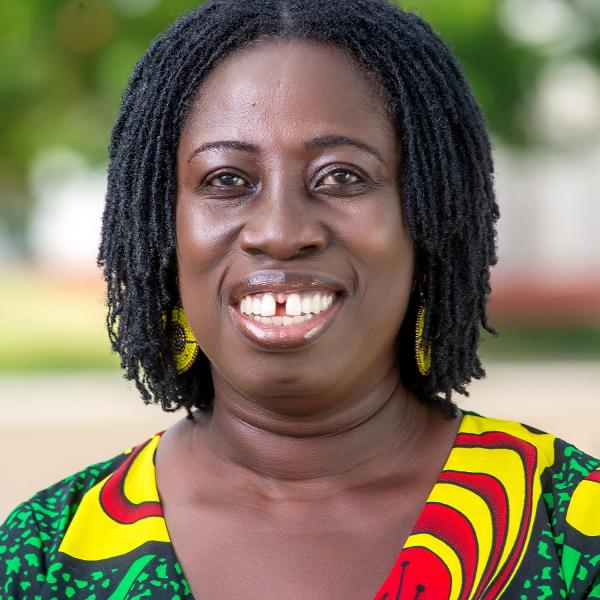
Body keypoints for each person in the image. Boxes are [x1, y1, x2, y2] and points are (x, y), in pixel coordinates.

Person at [2, 0, 599, 598]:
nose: (281, 232)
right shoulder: (44, 557)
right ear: (163, 228)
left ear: (427, 217)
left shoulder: (572, 529)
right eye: (227, 180)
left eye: (341, 176)